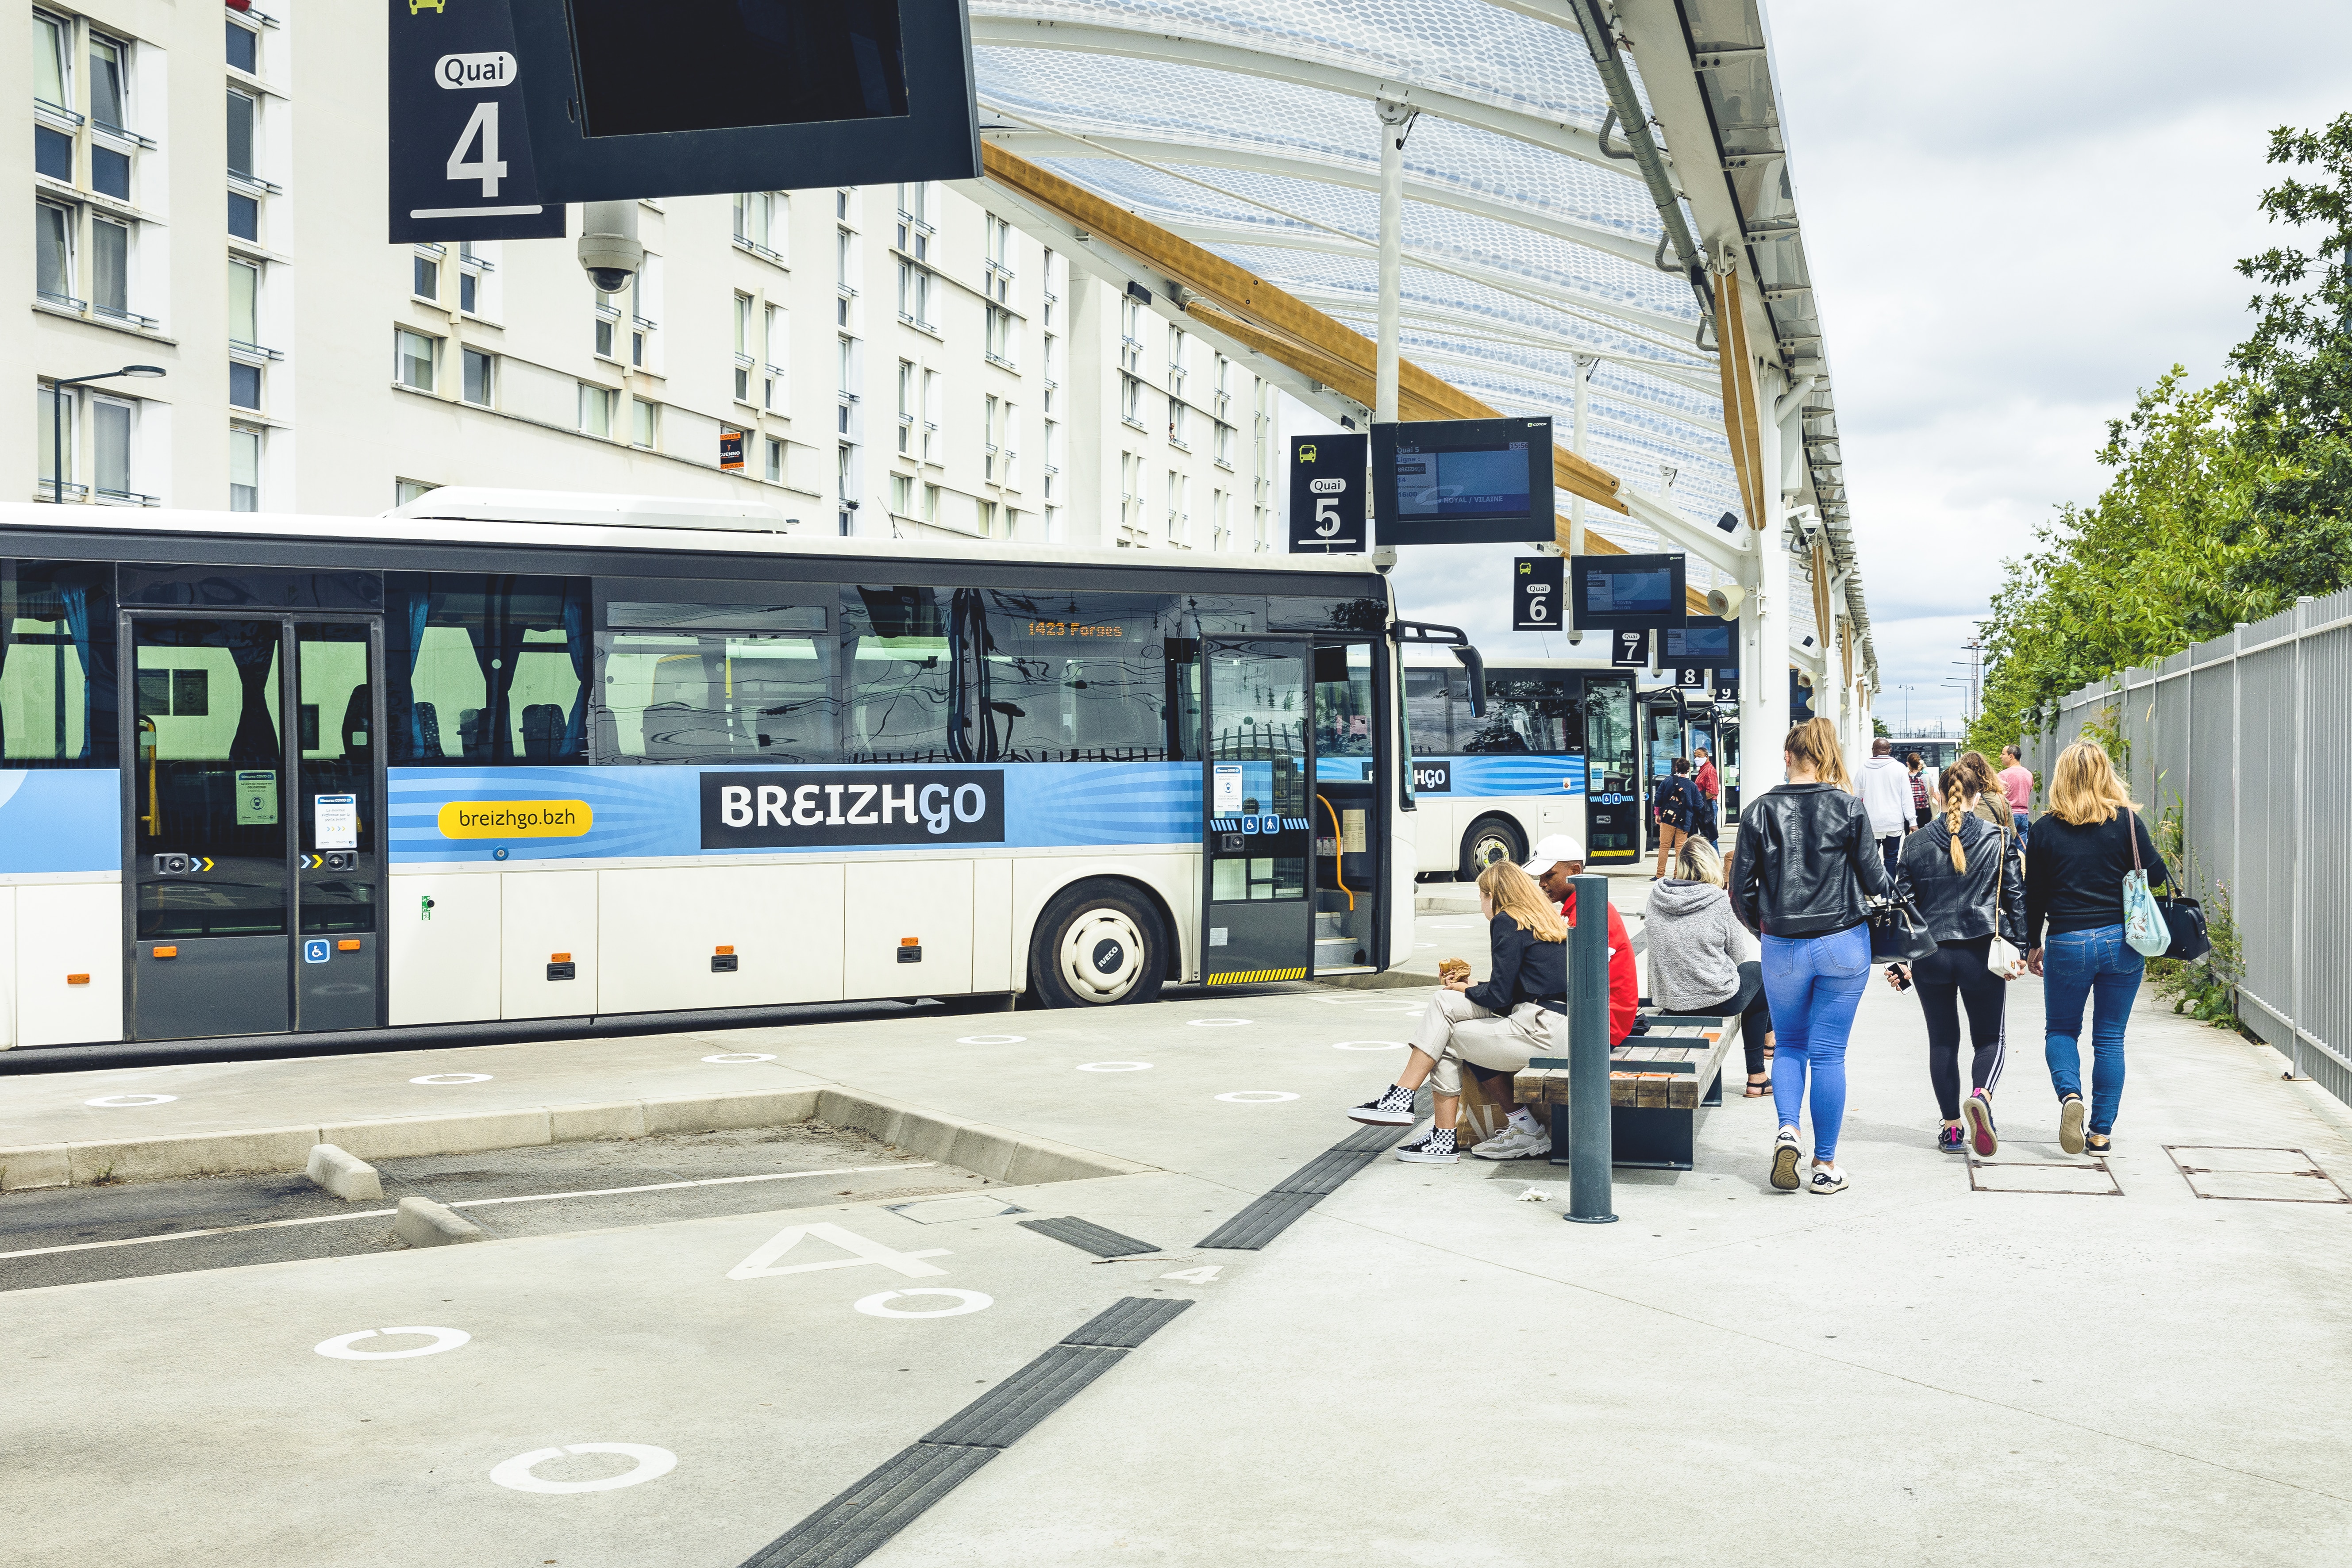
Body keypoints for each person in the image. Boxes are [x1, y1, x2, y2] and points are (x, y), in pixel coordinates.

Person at [1729, 717, 1893, 1195]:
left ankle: (1787, 1129)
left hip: (1782, 944)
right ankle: (1824, 1166)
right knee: (1828, 1054)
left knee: (1789, 1045)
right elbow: (1874, 880)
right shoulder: (1847, 807)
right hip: (1842, 941)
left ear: (1786, 757)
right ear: (1824, 757)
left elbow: (1739, 891)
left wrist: (1769, 929)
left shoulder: (1758, 811)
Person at [1347, 859, 1567, 1164]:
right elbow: (1520, 990)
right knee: (1445, 1004)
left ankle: (1424, 1121)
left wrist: (1467, 989)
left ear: (1494, 894)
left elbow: (1500, 996)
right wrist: (1472, 985)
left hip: (1541, 1029)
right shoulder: (1543, 921)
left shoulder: (1506, 920)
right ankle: (1416, 1109)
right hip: (1558, 1024)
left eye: (1481, 897)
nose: (1481, 905)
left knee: (1447, 1036)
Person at [2025, 742, 2170, 1158]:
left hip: (2067, 941)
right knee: (2110, 1039)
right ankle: (2100, 1133)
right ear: (2106, 774)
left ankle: (2070, 1097)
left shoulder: (2043, 829)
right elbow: (2156, 877)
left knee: (2061, 1030)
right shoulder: (2126, 822)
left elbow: (2033, 895)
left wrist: (2033, 943)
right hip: (2121, 941)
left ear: (2061, 778)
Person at [1889, 751, 2026, 1156]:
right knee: (1989, 1039)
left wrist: (1900, 960)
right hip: (1981, 953)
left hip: (1930, 956)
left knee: (1942, 1042)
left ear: (1939, 794)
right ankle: (1980, 1097)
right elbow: (2015, 897)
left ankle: (1951, 1129)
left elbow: (1902, 906)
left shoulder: (1913, 844)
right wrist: (2018, 945)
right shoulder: (1998, 838)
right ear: (1977, 792)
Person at [1647, 836, 1775, 1096]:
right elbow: (1740, 956)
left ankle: (1768, 1045)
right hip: (1714, 1000)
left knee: (1755, 983)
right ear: (1713, 866)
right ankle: (1758, 1072)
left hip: (1669, 1000)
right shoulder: (1718, 900)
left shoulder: (1656, 896)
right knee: (1759, 973)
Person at [1524, 834, 1637, 1049]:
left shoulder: (1587, 914)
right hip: (1601, 1016)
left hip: (1601, 1026)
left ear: (1575, 871)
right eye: (1540, 877)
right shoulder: (1581, 907)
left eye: (1549, 875)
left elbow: (1563, 977)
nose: (1542, 884)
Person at [1857, 737, 1915, 880]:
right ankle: (1887, 894)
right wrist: (1912, 822)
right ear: (1889, 751)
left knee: (1871, 859)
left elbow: (1856, 797)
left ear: (1873, 751)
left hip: (1871, 823)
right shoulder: (1900, 768)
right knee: (1891, 858)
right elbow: (1906, 797)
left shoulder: (1864, 769)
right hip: (1894, 822)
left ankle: (1872, 889)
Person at [1650, 757, 1703, 880]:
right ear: (1689, 770)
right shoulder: (1692, 786)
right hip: (1684, 820)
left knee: (1664, 847)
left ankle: (1660, 875)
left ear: (1676, 768)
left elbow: (1658, 797)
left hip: (1668, 818)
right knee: (1680, 849)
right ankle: (1678, 876)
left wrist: (1658, 814)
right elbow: (1699, 805)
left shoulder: (1668, 781)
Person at [1998, 745, 2035, 853]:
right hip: (2024, 815)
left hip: (2008, 816)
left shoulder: (2003, 776)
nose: (2001, 757)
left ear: (2011, 756)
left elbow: (1998, 797)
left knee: (2006, 850)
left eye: (2003, 754)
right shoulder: (2029, 774)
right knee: (2022, 849)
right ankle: (2022, 868)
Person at [1694, 746, 1721, 839]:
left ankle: (1715, 854)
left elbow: (1712, 792)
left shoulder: (1709, 771)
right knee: (1707, 835)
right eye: (1695, 756)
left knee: (1710, 835)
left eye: (1699, 756)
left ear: (1707, 757)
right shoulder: (1703, 770)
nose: (1697, 758)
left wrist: (1699, 801)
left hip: (1709, 807)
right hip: (1705, 806)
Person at [1905, 753, 1932, 829]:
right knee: (1925, 837)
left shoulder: (1905, 777)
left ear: (1908, 764)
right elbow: (1933, 794)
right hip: (1925, 812)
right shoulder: (1926, 777)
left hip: (1909, 812)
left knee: (1910, 838)